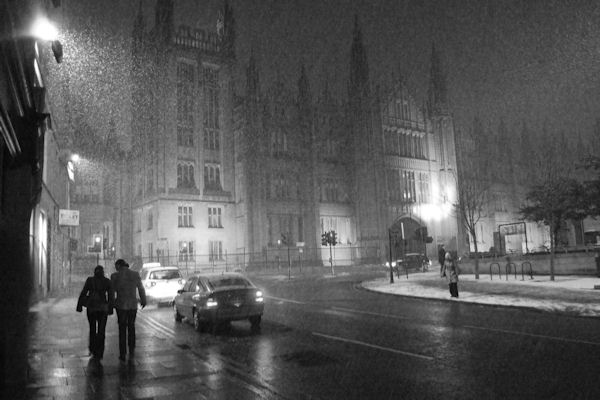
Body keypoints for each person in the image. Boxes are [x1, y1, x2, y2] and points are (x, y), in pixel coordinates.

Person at [110, 259, 146, 362]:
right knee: (131, 326)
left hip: (121, 305)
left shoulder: (115, 276)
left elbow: (112, 292)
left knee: (122, 328)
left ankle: (122, 353)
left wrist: (111, 304)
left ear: (119, 265)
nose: (115, 268)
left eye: (116, 266)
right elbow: (141, 288)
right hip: (132, 305)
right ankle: (131, 348)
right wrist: (143, 300)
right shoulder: (135, 274)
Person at [76, 265, 113, 360]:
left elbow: (84, 292)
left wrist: (79, 305)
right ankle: (100, 350)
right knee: (101, 330)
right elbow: (111, 296)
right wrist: (110, 308)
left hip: (92, 308)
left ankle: (92, 348)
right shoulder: (107, 281)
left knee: (92, 328)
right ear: (103, 272)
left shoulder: (90, 280)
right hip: (103, 308)